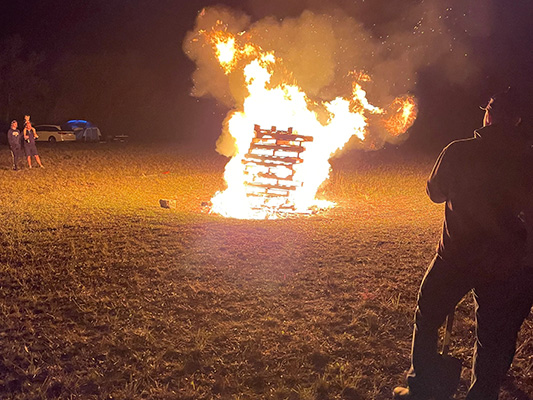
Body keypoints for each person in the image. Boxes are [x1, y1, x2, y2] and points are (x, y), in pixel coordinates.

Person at [393, 89, 533, 400]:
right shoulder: (526, 157)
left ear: (489, 115)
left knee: (428, 316)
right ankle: (481, 395)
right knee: (491, 337)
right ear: (517, 119)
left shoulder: (458, 151)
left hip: (455, 257)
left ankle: (422, 387)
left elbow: (436, 193)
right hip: (503, 262)